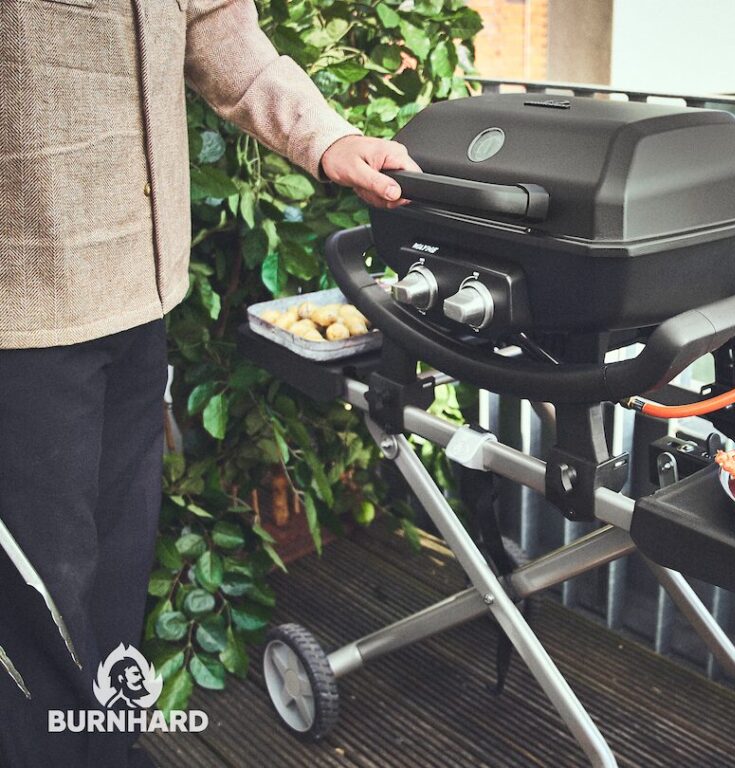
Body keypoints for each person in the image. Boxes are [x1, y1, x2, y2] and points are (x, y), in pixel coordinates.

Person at [0, 1, 420, 766]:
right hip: (20, 314)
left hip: (140, 296)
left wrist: (327, 138)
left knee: (117, 572)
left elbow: (216, 26)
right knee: (35, 607)